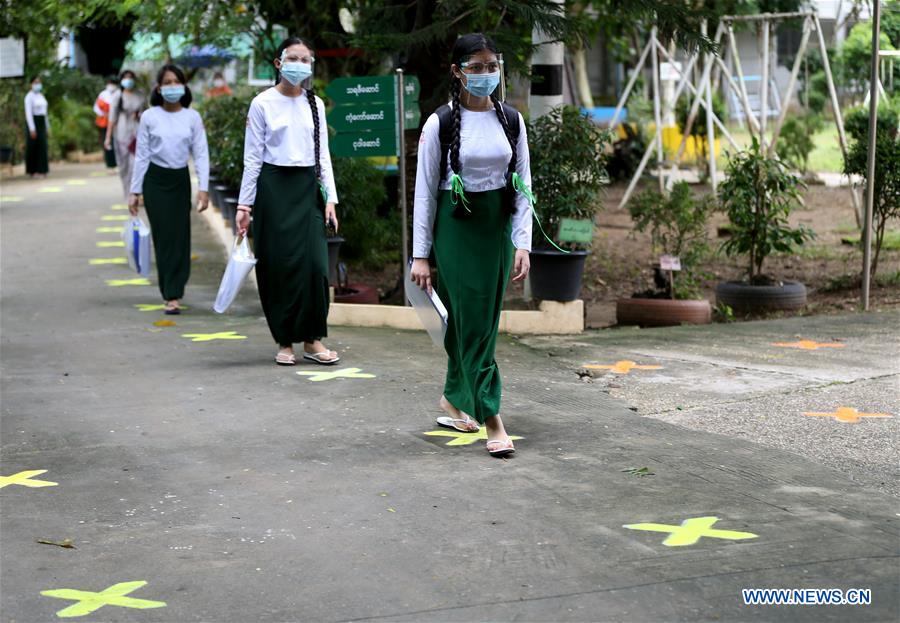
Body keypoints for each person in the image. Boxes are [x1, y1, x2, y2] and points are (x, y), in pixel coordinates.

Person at [410, 33, 533, 457]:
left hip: (494, 230)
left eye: (492, 66)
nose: (486, 74)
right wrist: (420, 255)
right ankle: (492, 419)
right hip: (456, 230)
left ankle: (452, 396)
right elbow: (425, 193)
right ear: (457, 72)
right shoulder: (439, 123)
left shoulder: (511, 121)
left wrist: (523, 243)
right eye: (477, 67)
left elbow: (523, 187)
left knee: (471, 322)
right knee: (477, 324)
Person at [235, 36, 340, 367]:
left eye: (306, 59)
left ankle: (312, 340)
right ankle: (284, 340)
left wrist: (330, 199)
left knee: (315, 267)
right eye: (293, 58)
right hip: (273, 190)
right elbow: (252, 159)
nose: (300, 64)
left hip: (308, 189)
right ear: (279, 64)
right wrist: (244, 205)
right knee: (278, 266)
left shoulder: (315, 104)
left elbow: (323, 154)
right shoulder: (262, 103)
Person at [128, 64, 210, 315]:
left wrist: (203, 188)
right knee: (163, 238)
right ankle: (170, 294)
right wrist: (135, 190)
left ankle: (177, 285)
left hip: (179, 180)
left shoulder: (192, 117)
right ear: (159, 88)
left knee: (180, 236)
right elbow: (141, 155)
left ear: (184, 87)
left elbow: (201, 154)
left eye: (177, 82)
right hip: (155, 181)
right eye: (168, 82)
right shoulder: (150, 117)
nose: (173, 86)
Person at [105, 70, 145, 199]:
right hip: (122, 136)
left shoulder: (140, 95)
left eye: (131, 78)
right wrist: (108, 137)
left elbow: (147, 114)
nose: (128, 80)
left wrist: (138, 115)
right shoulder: (118, 96)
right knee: (124, 166)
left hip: (138, 134)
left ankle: (137, 193)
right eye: (126, 78)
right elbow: (112, 118)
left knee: (137, 165)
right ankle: (128, 193)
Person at [24, 76, 50, 178]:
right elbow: (28, 114)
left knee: (42, 146)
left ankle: (42, 170)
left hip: (42, 122)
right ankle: (32, 171)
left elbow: (45, 113)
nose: (38, 84)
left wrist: (47, 127)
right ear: (31, 84)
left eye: (39, 82)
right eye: (35, 82)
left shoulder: (41, 96)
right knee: (33, 146)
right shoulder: (29, 97)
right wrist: (32, 129)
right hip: (34, 122)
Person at [94, 76, 118, 169]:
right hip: (105, 122)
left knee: (116, 143)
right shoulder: (103, 94)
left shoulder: (118, 93)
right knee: (107, 142)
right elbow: (97, 108)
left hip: (116, 123)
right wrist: (106, 114)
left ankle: (117, 164)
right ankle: (110, 164)